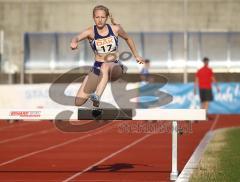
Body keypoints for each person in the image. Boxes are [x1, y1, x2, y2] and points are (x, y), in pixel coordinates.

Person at [70, 5, 145, 107]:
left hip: (115, 66)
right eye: (97, 17)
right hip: (97, 67)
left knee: (105, 65)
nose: (100, 20)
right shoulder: (90, 32)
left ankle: (97, 96)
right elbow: (76, 38)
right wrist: (74, 43)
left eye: (102, 17)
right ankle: (95, 97)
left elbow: (128, 38)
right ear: (93, 18)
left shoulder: (115, 29)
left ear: (106, 17)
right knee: (78, 102)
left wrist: (136, 55)